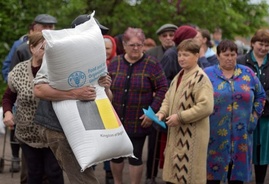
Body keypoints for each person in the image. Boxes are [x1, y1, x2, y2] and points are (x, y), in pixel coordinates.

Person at [33, 14, 110, 184]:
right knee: (83, 178)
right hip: (57, 127)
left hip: (85, 125)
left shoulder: (95, 58)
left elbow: (107, 99)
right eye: (96, 32)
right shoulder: (57, 52)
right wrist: (74, 94)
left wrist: (105, 87)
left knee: (83, 174)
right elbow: (39, 89)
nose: (99, 36)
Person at [2, 32, 64, 184]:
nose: (47, 51)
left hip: (52, 131)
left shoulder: (57, 70)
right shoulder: (19, 71)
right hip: (27, 132)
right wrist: (8, 113)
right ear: (32, 48)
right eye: (43, 47)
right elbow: (8, 97)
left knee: (54, 172)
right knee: (34, 173)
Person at [108, 27, 168, 184]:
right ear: (124, 44)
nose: (136, 48)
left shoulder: (152, 64)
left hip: (138, 120)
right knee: (116, 155)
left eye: (139, 45)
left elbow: (162, 88)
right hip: (116, 120)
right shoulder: (115, 63)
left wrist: (151, 112)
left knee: (135, 156)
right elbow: (105, 88)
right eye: (132, 45)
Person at [205, 40, 266, 184]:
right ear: (218, 55)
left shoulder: (248, 73)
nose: (230, 58)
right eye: (226, 54)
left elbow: (261, 96)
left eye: (233, 54)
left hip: (242, 134)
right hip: (214, 134)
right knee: (212, 176)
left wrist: (254, 117)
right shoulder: (207, 74)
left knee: (237, 177)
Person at [156, 38, 214, 184]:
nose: (181, 58)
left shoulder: (201, 78)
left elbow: (206, 106)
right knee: (174, 177)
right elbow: (168, 98)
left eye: (186, 55)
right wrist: (162, 112)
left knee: (188, 177)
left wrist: (180, 117)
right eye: (179, 54)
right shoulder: (179, 76)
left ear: (196, 56)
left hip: (192, 137)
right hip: (176, 135)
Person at [237, 29, 269, 184]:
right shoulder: (240, 61)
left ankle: (260, 181)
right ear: (253, 43)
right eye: (261, 44)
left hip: (267, 114)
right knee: (241, 150)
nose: (263, 48)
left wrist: (263, 98)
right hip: (243, 114)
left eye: (267, 45)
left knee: (262, 153)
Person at [144, 23, 177, 184]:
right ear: (159, 37)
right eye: (165, 35)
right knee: (153, 144)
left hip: (176, 104)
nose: (169, 38)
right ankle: (150, 175)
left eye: (172, 35)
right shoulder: (151, 53)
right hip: (156, 103)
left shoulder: (180, 52)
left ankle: (172, 176)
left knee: (173, 143)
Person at [103, 34, 117, 184]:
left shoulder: (117, 62)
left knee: (109, 143)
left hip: (113, 108)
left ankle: (109, 173)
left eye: (107, 48)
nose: (105, 51)